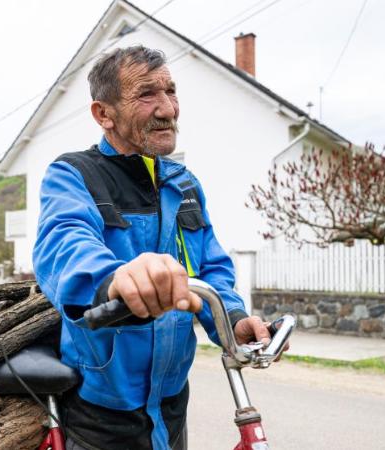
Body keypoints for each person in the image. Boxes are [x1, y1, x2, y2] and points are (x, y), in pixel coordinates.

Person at [32, 46, 287, 450]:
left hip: (171, 400)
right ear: (104, 114)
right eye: (147, 94)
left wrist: (234, 320)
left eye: (171, 91)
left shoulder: (183, 184)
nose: (167, 108)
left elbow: (210, 269)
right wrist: (116, 279)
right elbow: (65, 246)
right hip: (102, 409)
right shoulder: (73, 175)